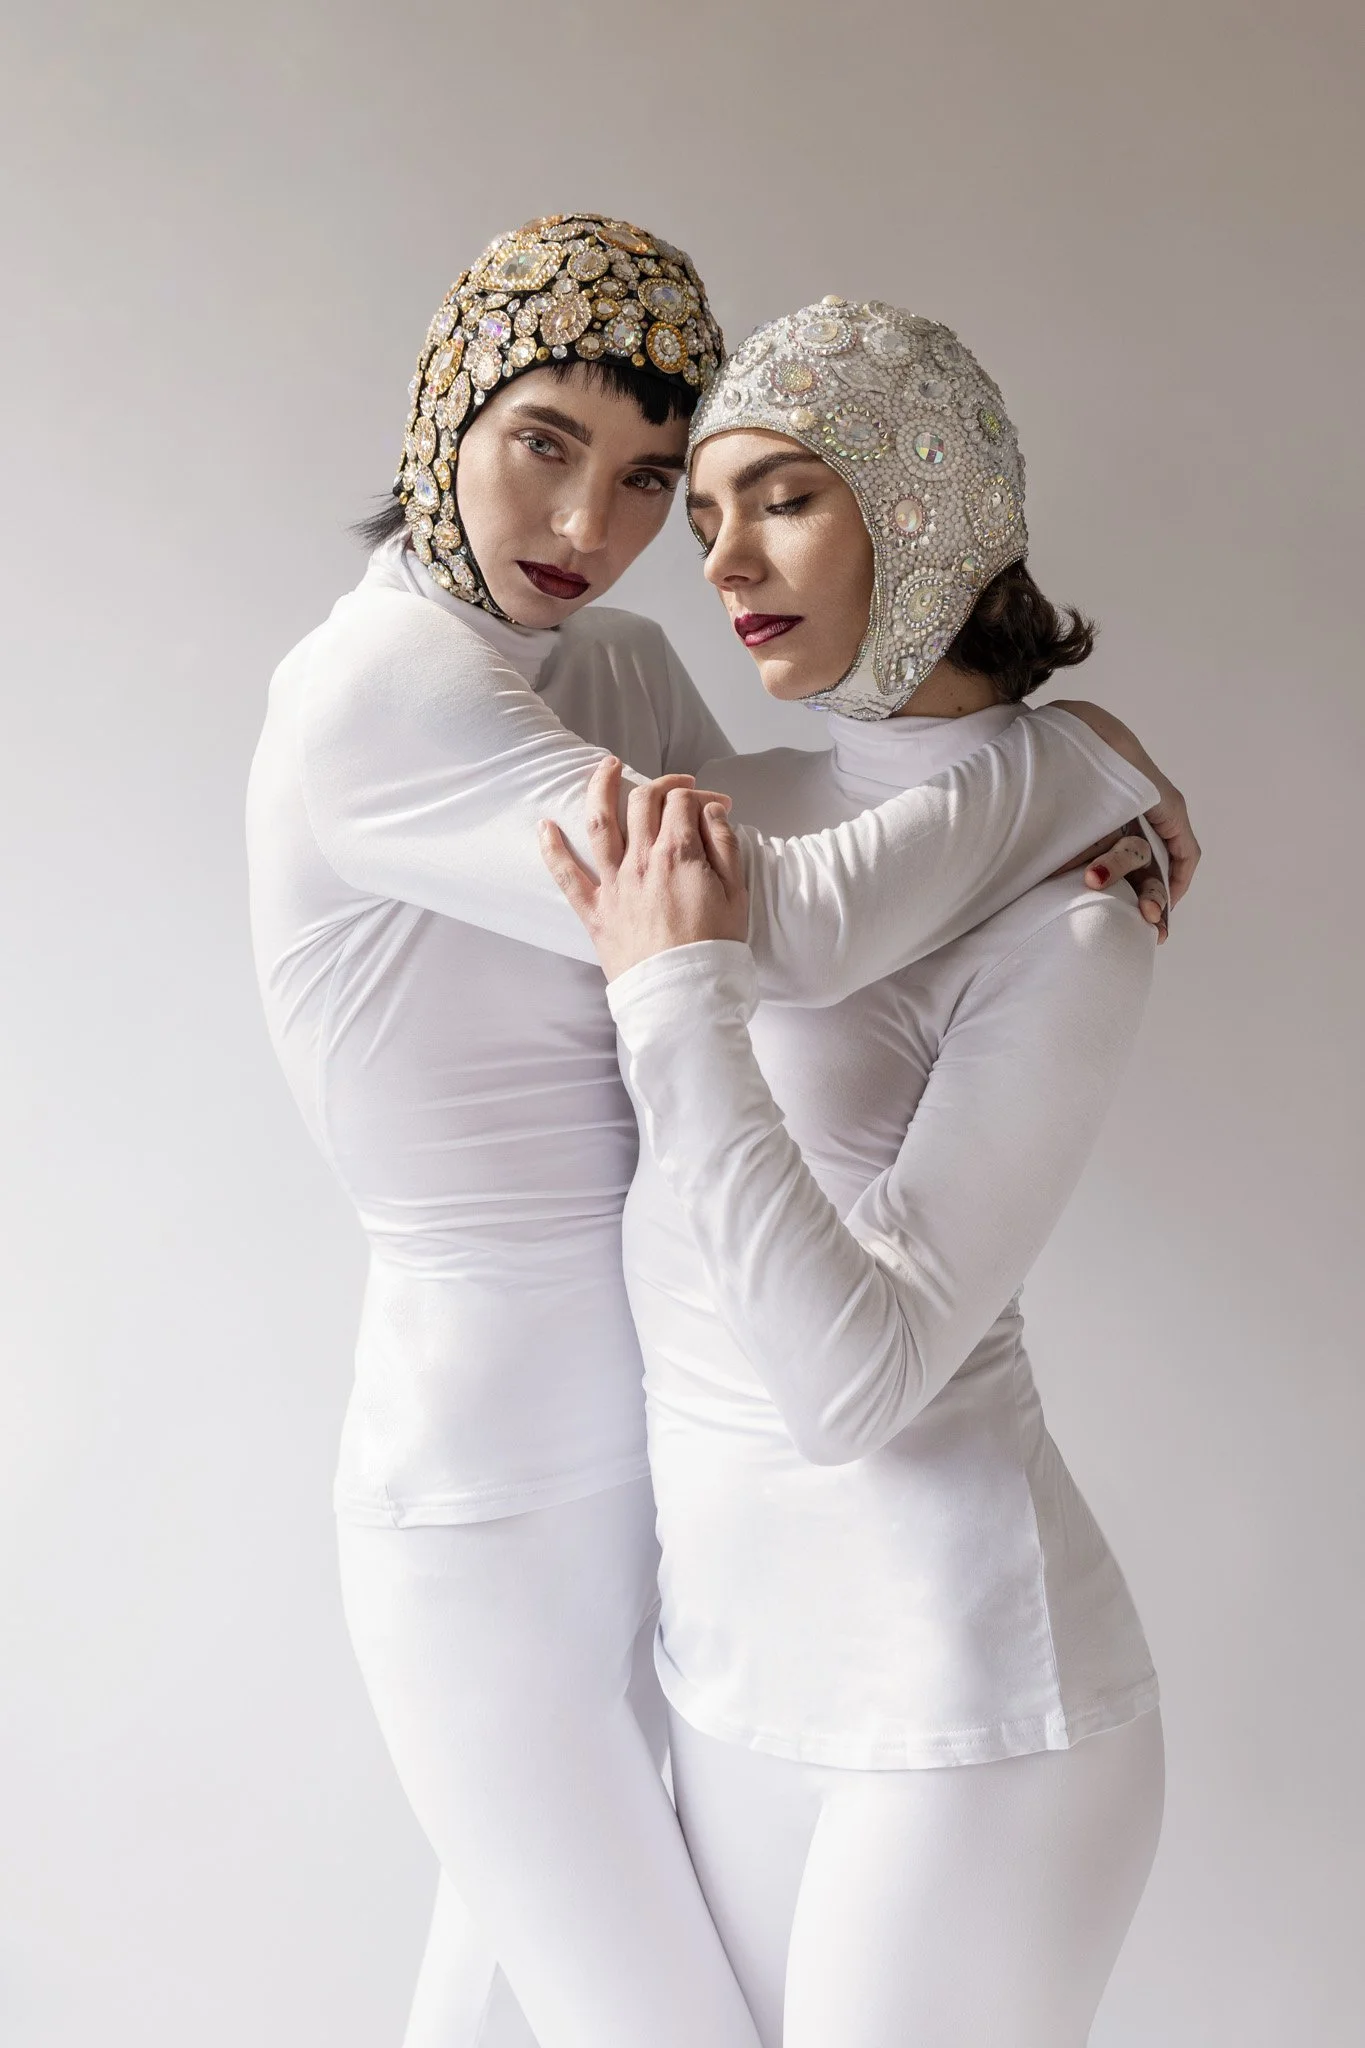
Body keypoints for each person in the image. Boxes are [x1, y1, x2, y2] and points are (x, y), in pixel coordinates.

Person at [247, 215, 1197, 2048]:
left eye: (646, 481)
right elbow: (788, 926)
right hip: (488, 1472)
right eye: (544, 443)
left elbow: (809, 845)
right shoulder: (375, 688)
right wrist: (1071, 759)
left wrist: (1049, 812)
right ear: (445, 408)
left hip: (681, 1485)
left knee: (495, 1995)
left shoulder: (606, 670)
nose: (590, 528)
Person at [544, 298, 1180, 2048]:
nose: (725, 560)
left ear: (929, 508)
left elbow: (856, 1386)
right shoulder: (721, 810)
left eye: (787, 497)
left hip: (965, 1711)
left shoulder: (1079, 916)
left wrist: (677, 1000)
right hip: (724, 1679)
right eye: (706, 516)